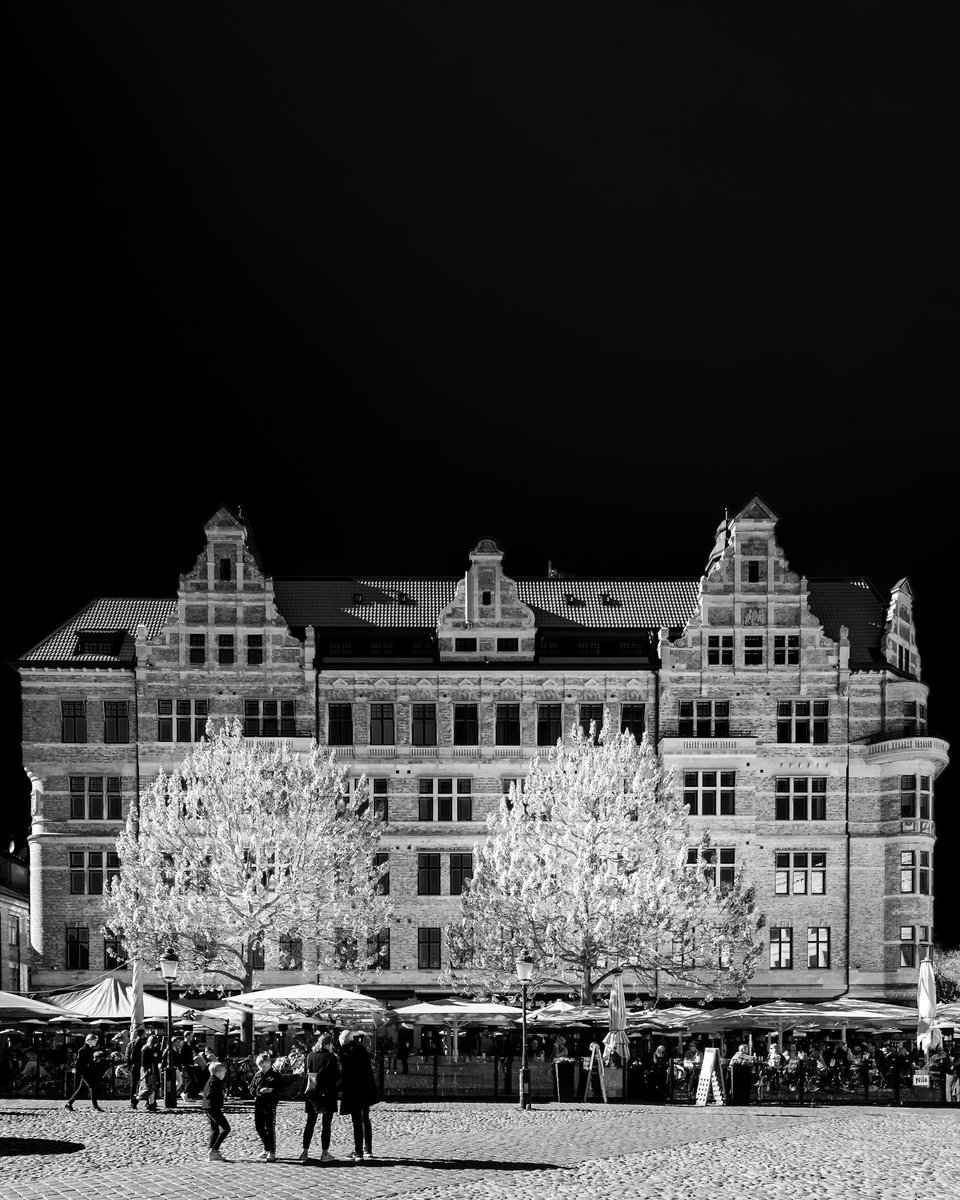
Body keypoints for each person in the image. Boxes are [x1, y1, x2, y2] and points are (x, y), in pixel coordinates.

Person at [300, 1032, 341, 1165]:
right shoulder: (331, 1057)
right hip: (327, 1093)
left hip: (312, 1092)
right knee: (326, 1125)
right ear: (328, 1044)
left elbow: (306, 1074)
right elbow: (336, 1076)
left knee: (310, 1123)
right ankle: (324, 1153)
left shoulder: (310, 1056)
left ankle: (305, 1152)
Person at [338, 1030, 379, 1162]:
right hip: (365, 1089)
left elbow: (344, 1072)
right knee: (365, 1119)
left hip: (353, 1090)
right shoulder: (361, 1049)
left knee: (356, 1121)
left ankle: (358, 1151)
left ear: (343, 1040)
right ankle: (368, 1150)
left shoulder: (344, 1051)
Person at [250, 1051, 283, 1161]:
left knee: (270, 1128)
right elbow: (251, 1088)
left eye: (263, 1066)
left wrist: (271, 1090)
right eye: (260, 1067)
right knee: (259, 1127)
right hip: (259, 1104)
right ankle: (266, 1148)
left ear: (269, 1064)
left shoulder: (275, 1076)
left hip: (270, 1104)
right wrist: (258, 1092)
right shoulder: (257, 1075)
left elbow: (282, 1089)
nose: (262, 1069)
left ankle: (272, 1151)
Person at [64, 1034, 103, 1112]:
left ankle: (69, 1103)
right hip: (85, 1073)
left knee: (81, 1089)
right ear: (90, 1040)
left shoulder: (89, 1049)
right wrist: (82, 1072)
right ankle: (96, 1107)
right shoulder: (83, 1049)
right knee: (92, 1087)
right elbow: (79, 1063)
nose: (96, 1042)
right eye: (95, 1040)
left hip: (87, 1072)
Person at [202, 1061, 230, 1162]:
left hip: (208, 1108)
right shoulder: (215, 1082)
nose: (224, 1075)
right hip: (213, 1108)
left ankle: (211, 1152)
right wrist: (219, 1097)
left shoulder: (210, 1080)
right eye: (223, 1073)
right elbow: (210, 1094)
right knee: (226, 1128)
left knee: (215, 1130)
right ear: (218, 1073)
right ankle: (214, 1150)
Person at [126, 1026, 147, 1110]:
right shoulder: (140, 1043)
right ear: (142, 1034)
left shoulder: (131, 1043)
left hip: (134, 1066)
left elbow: (127, 1054)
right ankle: (136, 1101)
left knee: (134, 1084)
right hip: (139, 1066)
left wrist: (129, 1064)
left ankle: (133, 1100)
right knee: (141, 1084)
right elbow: (136, 1055)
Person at [138, 1034, 160, 1111]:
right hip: (148, 1070)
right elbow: (144, 1062)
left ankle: (151, 1103)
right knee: (149, 1087)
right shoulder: (146, 1049)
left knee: (152, 1088)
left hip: (152, 1069)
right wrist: (148, 1069)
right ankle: (138, 1099)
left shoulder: (151, 1049)